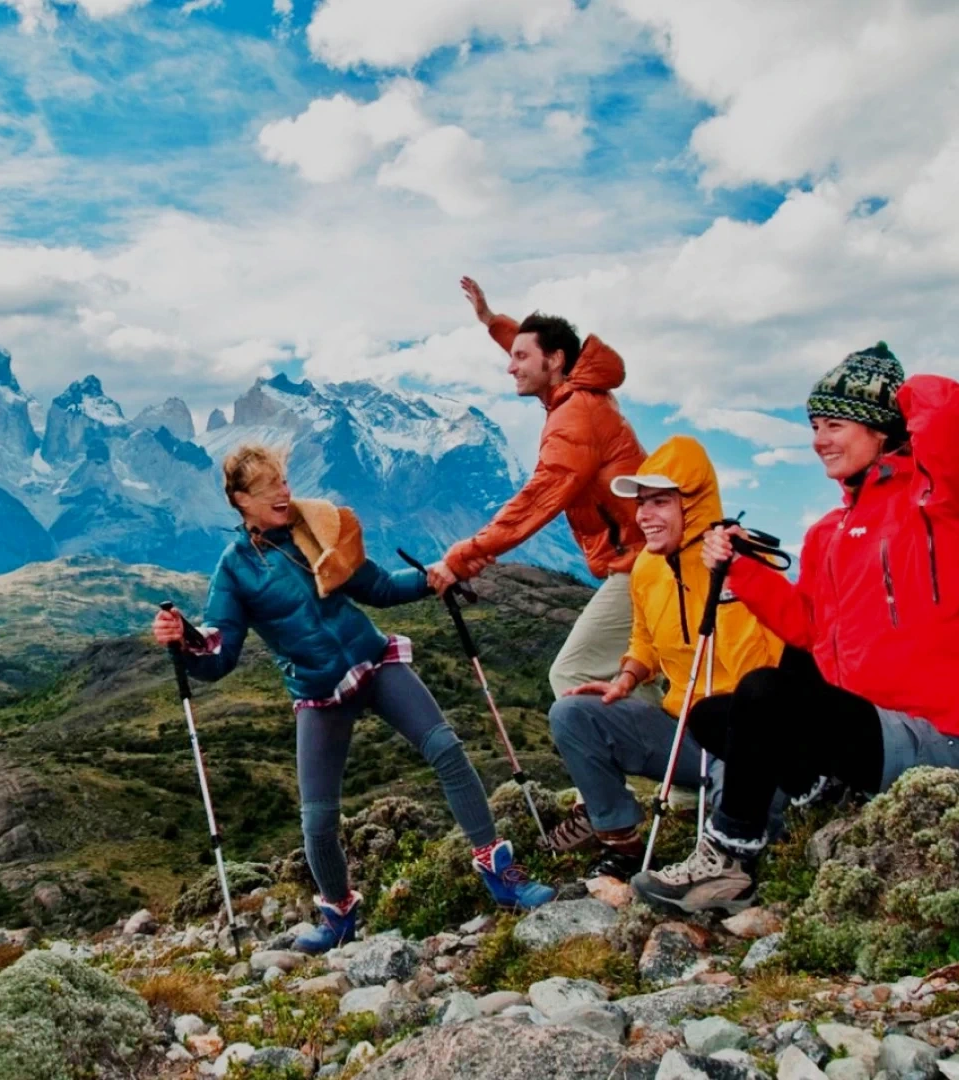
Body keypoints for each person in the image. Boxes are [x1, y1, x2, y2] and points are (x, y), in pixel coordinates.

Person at [154, 443, 556, 954]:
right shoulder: (233, 569)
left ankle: (501, 874)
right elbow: (218, 657)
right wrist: (184, 639)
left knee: (447, 751)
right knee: (318, 820)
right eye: (268, 486)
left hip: (373, 661)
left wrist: (436, 578)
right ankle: (339, 915)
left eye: (283, 480)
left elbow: (380, 587)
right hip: (319, 694)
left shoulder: (316, 526)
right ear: (240, 500)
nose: (284, 492)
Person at [632, 344, 959, 915]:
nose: (820, 439)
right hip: (861, 733)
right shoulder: (828, 531)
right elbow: (806, 628)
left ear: (882, 428)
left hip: (934, 739)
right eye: (815, 426)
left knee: (763, 695)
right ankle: (818, 789)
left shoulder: (935, 502)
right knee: (711, 715)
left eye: (837, 424)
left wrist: (897, 394)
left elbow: (951, 413)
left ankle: (729, 860)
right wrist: (741, 570)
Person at [546, 435, 785, 876]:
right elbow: (645, 639)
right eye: (641, 504)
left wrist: (733, 583)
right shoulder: (647, 568)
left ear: (692, 506)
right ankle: (621, 840)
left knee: (756, 813)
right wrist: (628, 677)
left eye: (659, 502)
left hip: (746, 742)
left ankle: (739, 857)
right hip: (683, 735)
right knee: (572, 714)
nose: (643, 516)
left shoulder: (750, 564)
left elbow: (763, 671)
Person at [428, 278, 648, 698]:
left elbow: (537, 501)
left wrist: (461, 556)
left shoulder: (574, 416)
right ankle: (680, 759)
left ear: (556, 360)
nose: (510, 367)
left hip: (639, 564)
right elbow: (537, 352)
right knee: (642, 685)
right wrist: (492, 322)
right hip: (644, 559)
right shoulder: (579, 391)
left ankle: (665, 760)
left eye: (520, 358)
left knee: (571, 675)